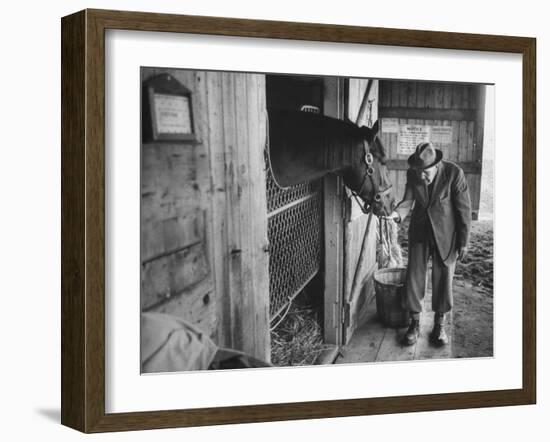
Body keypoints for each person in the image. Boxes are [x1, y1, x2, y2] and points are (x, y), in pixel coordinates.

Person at [386, 141, 471, 346]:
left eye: (425, 172)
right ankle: (414, 324)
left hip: (446, 234)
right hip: (420, 232)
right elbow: (408, 200)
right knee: (414, 277)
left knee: (443, 279)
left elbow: (464, 211)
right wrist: (397, 214)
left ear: (436, 165)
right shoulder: (413, 173)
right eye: (418, 172)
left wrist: (464, 242)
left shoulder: (454, 173)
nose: (421, 176)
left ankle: (439, 325)